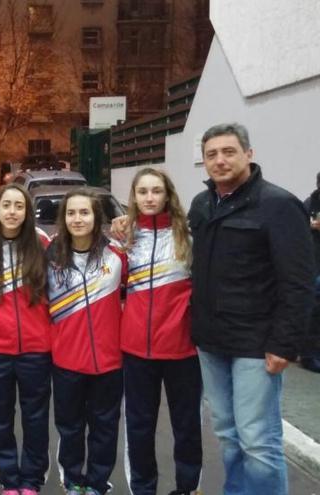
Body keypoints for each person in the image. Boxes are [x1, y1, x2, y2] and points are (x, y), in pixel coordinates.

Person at [189, 123, 313, 494]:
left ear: (248, 154)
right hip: (212, 341)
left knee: (258, 439)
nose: (220, 160)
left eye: (228, 152)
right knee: (227, 433)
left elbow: (298, 281)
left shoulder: (278, 205)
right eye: (212, 154)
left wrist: (285, 344)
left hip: (256, 345)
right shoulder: (202, 205)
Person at [120, 168, 201, 495]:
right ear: (135, 197)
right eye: (143, 191)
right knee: (139, 428)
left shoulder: (189, 237)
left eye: (156, 191)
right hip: (136, 350)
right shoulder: (125, 239)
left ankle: (187, 488)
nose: (150, 197)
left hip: (183, 349)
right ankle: (143, 488)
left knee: (187, 429)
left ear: (167, 195)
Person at [46, 189, 126, 495]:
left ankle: (97, 482)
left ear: (96, 218)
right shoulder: (50, 256)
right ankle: (73, 481)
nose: (77, 219)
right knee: (70, 428)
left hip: (109, 361)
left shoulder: (118, 255)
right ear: (63, 218)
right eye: (71, 213)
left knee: (105, 428)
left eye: (84, 212)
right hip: (66, 362)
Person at [0, 184, 52, 495]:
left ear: (27, 211)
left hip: (36, 348)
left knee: (35, 419)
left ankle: (31, 480)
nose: (12, 212)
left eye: (18, 206)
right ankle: (9, 478)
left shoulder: (43, 242)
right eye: (6, 205)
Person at [301, 172, 320, 373]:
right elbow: (296, 229)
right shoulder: (310, 203)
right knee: (314, 311)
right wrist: (312, 226)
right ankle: (308, 355)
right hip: (315, 265)